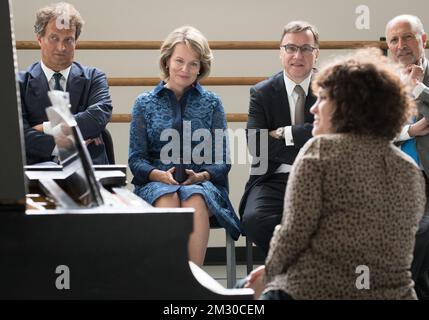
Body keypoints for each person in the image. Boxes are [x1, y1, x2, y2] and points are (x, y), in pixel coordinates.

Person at [241, 48, 425, 299]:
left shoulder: (319, 151)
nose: (313, 109)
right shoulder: (409, 170)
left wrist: (268, 274)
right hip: (395, 295)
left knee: (241, 290)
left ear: (349, 107)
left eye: (322, 99)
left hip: (315, 290)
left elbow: (292, 235)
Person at [128, 26, 242, 266]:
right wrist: (158, 175)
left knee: (194, 201)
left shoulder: (212, 103)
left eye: (193, 63)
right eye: (179, 61)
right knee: (168, 199)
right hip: (156, 182)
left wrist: (199, 176)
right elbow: (136, 159)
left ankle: (192, 285)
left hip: (201, 182)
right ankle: (170, 283)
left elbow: (223, 161)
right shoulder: (144, 103)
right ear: (167, 61)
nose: (185, 69)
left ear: (201, 67)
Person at [239, 21, 318, 256]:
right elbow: (257, 145)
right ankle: (292, 274)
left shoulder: (332, 88)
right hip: (273, 177)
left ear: (316, 53)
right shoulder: (261, 92)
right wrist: (310, 140)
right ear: (280, 52)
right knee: (255, 220)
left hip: (321, 176)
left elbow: (335, 135)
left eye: (306, 48)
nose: (297, 55)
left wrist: (286, 133)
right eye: (290, 48)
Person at [19, 2, 113, 165]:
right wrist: (64, 146)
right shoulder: (19, 82)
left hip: (90, 169)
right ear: (39, 39)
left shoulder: (94, 78)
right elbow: (19, 135)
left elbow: (97, 118)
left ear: (76, 41)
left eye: (68, 40)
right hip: (37, 171)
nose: (61, 47)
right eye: (54, 38)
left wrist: (46, 127)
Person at [386, 14, 429, 299]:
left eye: (408, 37)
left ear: (424, 40)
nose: (401, 45)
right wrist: (409, 131)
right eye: (394, 40)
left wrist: (417, 89)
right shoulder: (381, 83)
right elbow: (371, 130)